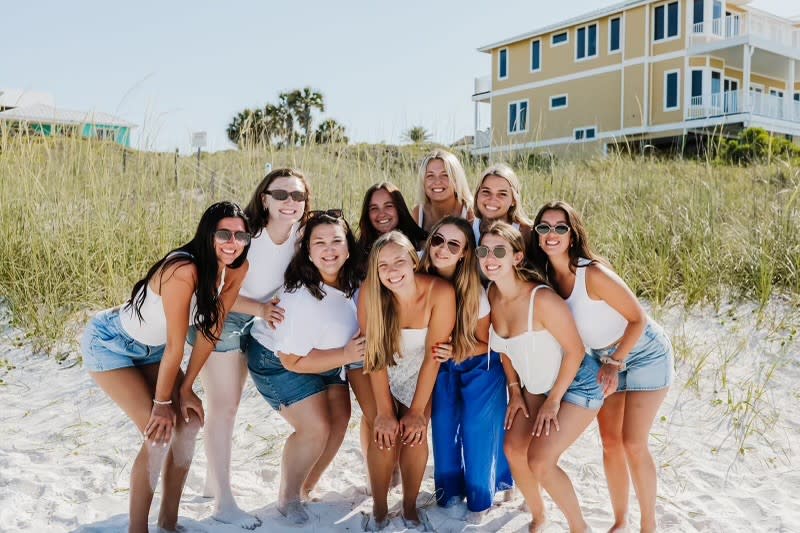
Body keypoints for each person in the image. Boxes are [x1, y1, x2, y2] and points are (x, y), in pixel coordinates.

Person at [81, 201, 251, 533]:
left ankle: (168, 523)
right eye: (224, 234)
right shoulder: (183, 270)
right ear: (208, 234)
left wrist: (186, 389)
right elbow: (176, 346)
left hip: (153, 351)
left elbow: (211, 331)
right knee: (158, 434)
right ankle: (137, 529)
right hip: (111, 344)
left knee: (188, 424)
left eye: (242, 236)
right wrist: (161, 405)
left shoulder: (237, 269)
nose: (234, 243)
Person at [528, 201, 674, 533]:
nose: (552, 234)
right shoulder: (546, 279)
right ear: (536, 235)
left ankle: (648, 526)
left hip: (643, 352)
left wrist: (616, 362)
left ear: (572, 234)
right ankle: (621, 520)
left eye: (560, 228)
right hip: (605, 359)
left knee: (633, 443)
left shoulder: (590, 273)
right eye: (544, 228)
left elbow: (637, 318)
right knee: (610, 441)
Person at [188, 168, 310, 528]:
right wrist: (258, 309)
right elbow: (211, 287)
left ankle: (213, 481)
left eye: (298, 196)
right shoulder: (246, 235)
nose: (290, 202)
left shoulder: (302, 235)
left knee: (230, 406)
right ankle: (223, 502)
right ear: (265, 199)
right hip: (219, 317)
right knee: (223, 408)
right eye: (282, 195)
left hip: (256, 322)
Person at [479, 222, 603, 533]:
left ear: (517, 258)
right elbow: (503, 348)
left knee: (541, 461)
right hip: (535, 386)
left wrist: (554, 401)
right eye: (484, 251)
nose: (489, 258)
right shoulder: (492, 294)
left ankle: (579, 527)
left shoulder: (542, 299)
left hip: (576, 384)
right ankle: (539, 516)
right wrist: (515, 390)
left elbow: (575, 351)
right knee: (513, 449)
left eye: (498, 251)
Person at [247, 210, 366, 526]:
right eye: (320, 243)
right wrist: (344, 353)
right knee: (316, 427)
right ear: (308, 251)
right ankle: (288, 497)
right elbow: (291, 360)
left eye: (336, 241)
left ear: (349, 246)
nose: (329, 250)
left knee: (340, 419)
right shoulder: (301, 298)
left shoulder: (352, 280)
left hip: (326, 353)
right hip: (278, 360)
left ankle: (307, 485)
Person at [417, 216, 513, 522]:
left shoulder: (474, 290)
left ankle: (482, 497)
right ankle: (449, 493)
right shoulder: (418, 274)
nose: (442, 249)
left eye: (453, 244)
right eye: (437, 240)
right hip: (442, 366)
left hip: (479, 365)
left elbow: (487, 342)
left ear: (464, 253)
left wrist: (459, 348)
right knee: (443, 426)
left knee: (476, 429)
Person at [359, 231, 456, 530]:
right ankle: (378, 507)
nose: (392, 271)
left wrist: (415, 411)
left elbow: (433, 356)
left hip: (420, 368)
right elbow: (374, 356)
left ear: (413, 260)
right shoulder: (370, 294)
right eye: (382, 265)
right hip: (375, 366)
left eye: (399, 261)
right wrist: (386, 412)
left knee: (415, 431)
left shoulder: (440, 293)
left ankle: (410, 506)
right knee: (384, 430)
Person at [411, 149, 474, 232]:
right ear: (423, 181)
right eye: (430, 176)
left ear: (456, 179)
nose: (437, 182)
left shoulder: (471, 214)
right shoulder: (418, 213)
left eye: (445, 175)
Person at [471, 163, 533, 247]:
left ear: (514, 200)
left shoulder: (526, 232)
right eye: (486, 191)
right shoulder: (468, 228)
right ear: (477, 195)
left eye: (502, 194)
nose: (492, 199)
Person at [356, 181, 428, 254]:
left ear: (399, 208)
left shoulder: (423, 246)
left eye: (388, 206)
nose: (381, 214)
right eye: (374, 208)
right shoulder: (358, 253)